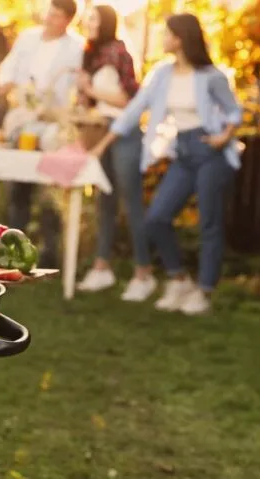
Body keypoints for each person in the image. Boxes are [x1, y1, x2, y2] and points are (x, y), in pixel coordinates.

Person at [89, 13, 242, 315]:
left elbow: (233, 112)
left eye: (166, 34)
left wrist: (224, 136)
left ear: (180, 39)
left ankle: (205, 290)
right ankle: (179, 279)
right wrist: (102, 145)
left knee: (209, 223)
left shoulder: (211, 76)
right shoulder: (161, 74)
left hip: (210, 152)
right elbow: (133, 110)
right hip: (183, 152)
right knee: (156, 218)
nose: (162, 38)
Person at [74, 5, 156, 301]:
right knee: (103, 201)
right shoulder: (91, 54)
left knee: (130, 202)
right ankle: (101, 267)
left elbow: (127, 100)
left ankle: (143, 272)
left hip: (124, 134)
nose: (88, 23)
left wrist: (91, 91)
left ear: (107, 22)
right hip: (100, 131)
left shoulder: (119, 52)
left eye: (93, 18)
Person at [0, 0, 84, 267]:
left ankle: (49, 253)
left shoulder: (76, 48)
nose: (49, 19)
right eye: (49, 12)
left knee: (50, 189)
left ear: (68, 20)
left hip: (52, 128)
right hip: (23, 123)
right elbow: (6, 72)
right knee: (19, 187)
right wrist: (7, 83)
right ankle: (12, 251)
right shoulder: (27, 39)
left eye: (56, 16)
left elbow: (78, 89)